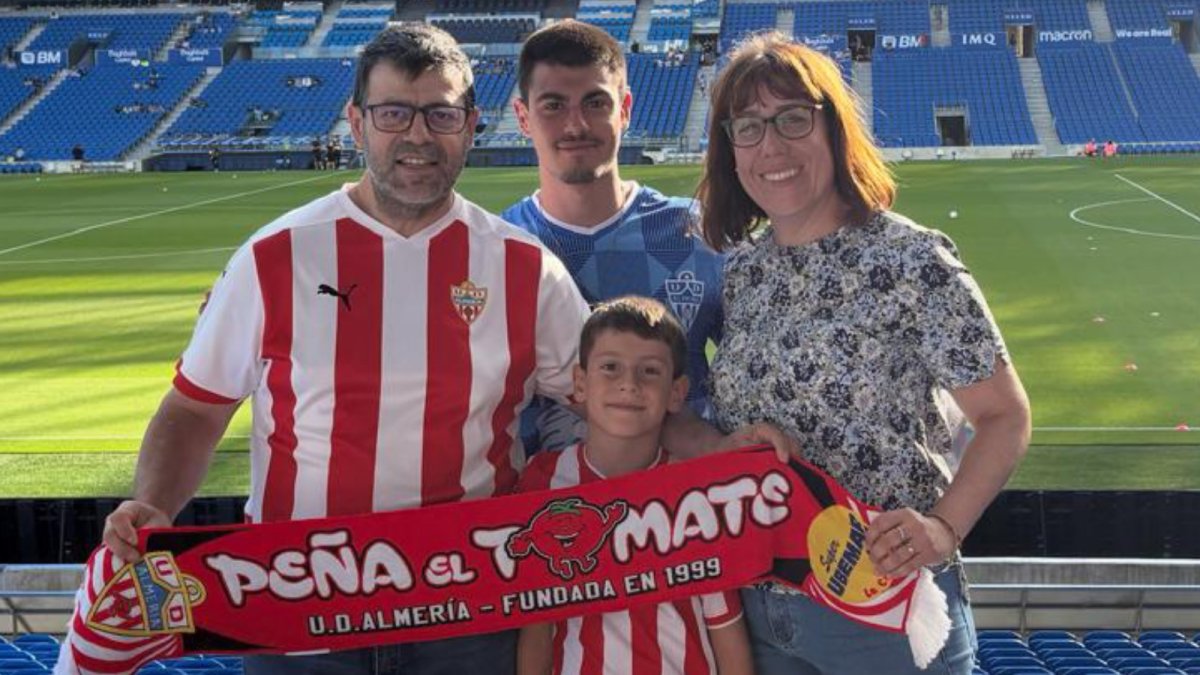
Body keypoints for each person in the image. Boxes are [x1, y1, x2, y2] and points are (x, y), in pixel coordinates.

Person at [61, 24, 590, 675]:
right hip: (295, 613)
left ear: (472, 125)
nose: (418, 135)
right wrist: (155, 503)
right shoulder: (274, 257)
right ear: (356, 122)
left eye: (441, 114)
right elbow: (196, 408)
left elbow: (605, 403)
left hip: (466, 615)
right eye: (393, 113)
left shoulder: (527, 269)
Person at [678, 33, 1032, 674]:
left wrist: (943, 528)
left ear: (833, 128)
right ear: (730, 151)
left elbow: (1005, 416)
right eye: (748, 127)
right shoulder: (745, 273)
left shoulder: (911, 259)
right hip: (761, 609)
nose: (771, 146)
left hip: (882, 613)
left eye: (792, 118)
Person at [502, 20, 725, 452]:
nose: (575, 125)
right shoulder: (497, 249)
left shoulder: (699, 232)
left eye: (595, 103)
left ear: (624, 109)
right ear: (523, 117)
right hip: (545, 493)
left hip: (687, 492)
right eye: (553, 105)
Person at [515, 296, 753, 675]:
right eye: (610, 367)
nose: (628, 384)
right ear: (579, 383)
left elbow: (724, 625)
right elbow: (536, 624)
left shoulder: (695, 493)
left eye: (650, 371)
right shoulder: (542, 481)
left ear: (677, 392)